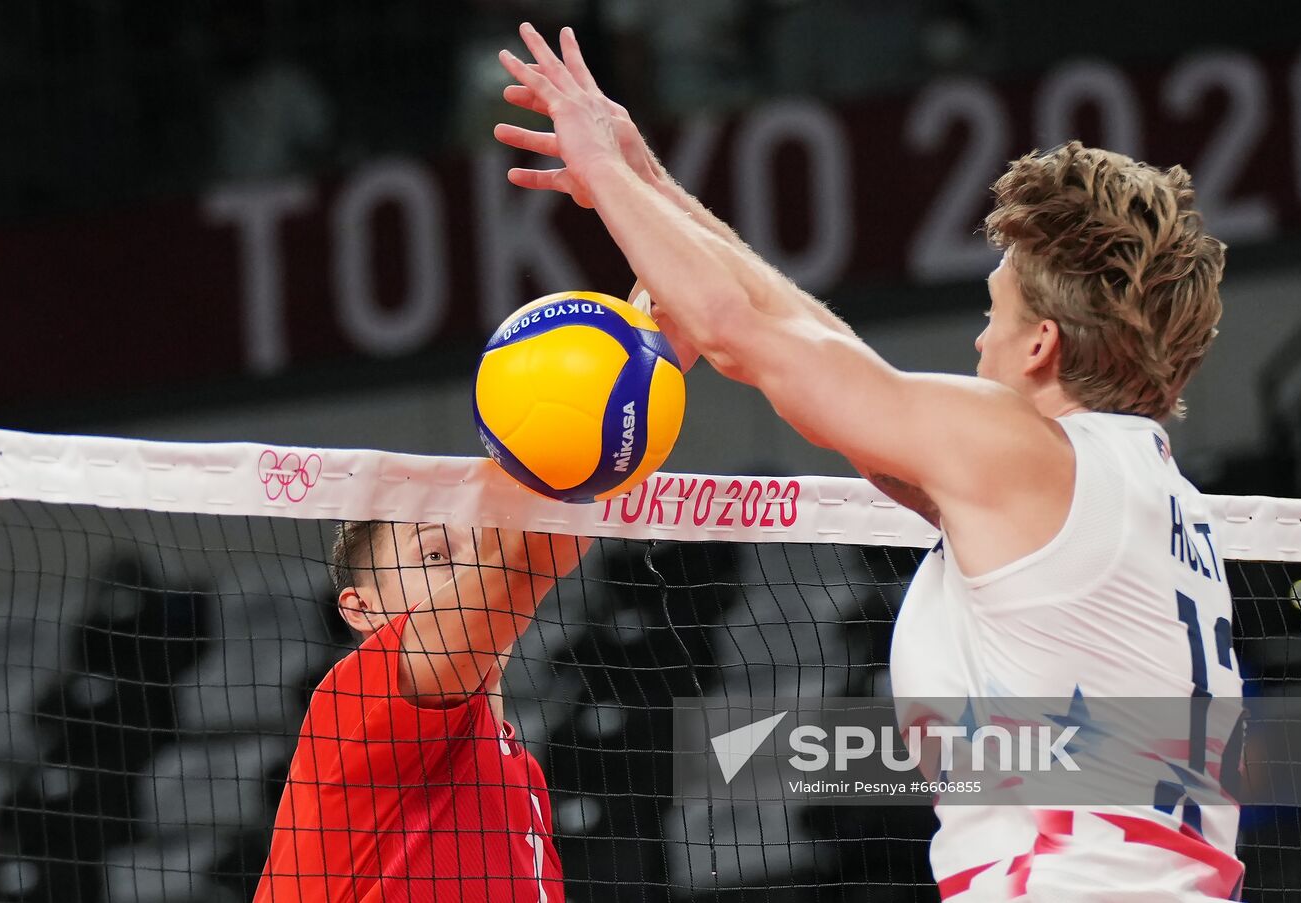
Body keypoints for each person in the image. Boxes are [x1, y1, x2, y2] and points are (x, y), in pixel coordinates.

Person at [495, 24, 1240, 901]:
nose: (976, 337)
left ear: (1041, 343)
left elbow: (753, 340)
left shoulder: (1029, 457)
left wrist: (609, 175)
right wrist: (649, 182)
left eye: (993, 313)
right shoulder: (1137, 492)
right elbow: (818, 352)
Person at [255, 521, 586, 902]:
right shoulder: (363, 694)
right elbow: (521, 563)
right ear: (363, 609)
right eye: (435, 555)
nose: (471, 574)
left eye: (479, 556)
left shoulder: (521, 768)